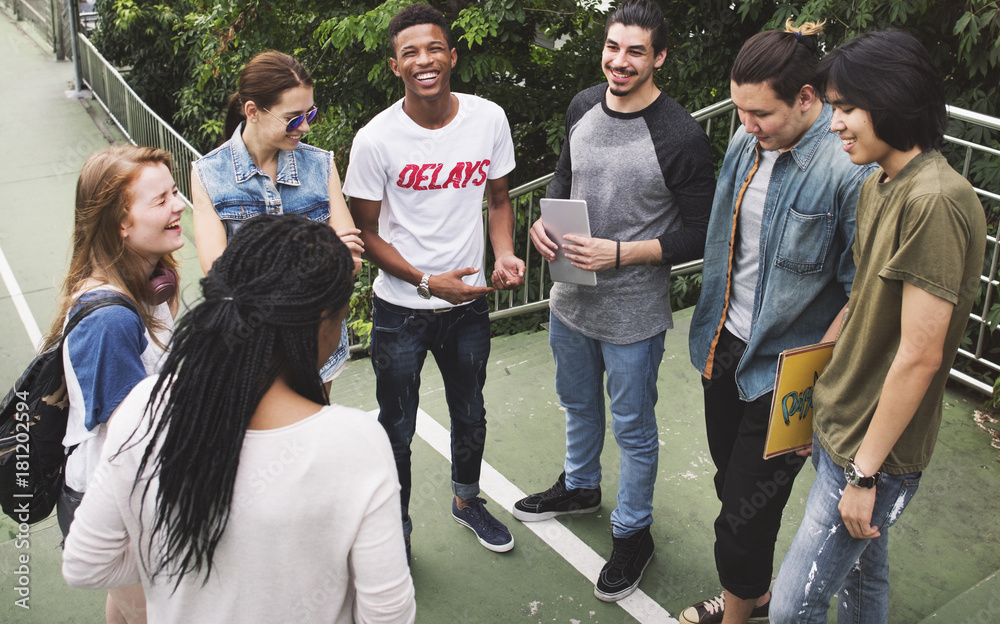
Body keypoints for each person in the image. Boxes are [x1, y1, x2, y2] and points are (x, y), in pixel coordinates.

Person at [62, 215, 417, 623]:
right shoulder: (357, 443)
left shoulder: (143, 408)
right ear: (321, 322)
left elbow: (85, 564)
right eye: (340, 323)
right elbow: (388, 616)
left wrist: (180, 550)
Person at [770, 31, 986, 623]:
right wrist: (813, 382)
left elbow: (920, 355)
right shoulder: (878, 182)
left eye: (846, 108)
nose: (834, 122)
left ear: (892, 100)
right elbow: (864, 298)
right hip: (842, 419)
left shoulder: (935, 201)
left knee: (795, 606)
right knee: (864, 580)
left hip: (873, 453)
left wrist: (864, 474)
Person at [514, 0, 715, 602]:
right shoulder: (582, 105)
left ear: (659, 58)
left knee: (633, 429)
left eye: (635, 51)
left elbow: (702, 231)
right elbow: (561, 176)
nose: (619, 61)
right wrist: (541, 224)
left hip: (633, 313)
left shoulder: (679, 134)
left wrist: (622, 253)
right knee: (577, 405)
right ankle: (580, 487)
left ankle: (633, 534)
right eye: (612, 47)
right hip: (570, 298)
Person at [681, 21, 876, 624]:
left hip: (788, 372)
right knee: (729, 490)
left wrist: (815, 374)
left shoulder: (847, 171)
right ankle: (755, 597)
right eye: (740, 110)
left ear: (808, 98)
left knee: (742, 516)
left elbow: (863, 290)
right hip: (723, 343)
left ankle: (740, 613)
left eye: (759, 112)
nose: (746, 125)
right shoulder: (747, 144)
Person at [341, 3, 525, 558]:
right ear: (396, 66)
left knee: (471, 412)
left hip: (467, 305)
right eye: (410, 53)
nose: (425, 61)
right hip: (400, 312)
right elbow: (366, 233)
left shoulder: (488, 118)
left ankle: (467, 501)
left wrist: (506, 253)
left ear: (451, 54)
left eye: (434, 48)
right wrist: (426, 281)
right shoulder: (375, 141)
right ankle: (396, 530)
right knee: (395, 428)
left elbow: (498, 199)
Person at [47, 145, 186, 624]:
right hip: (120, 506)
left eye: (175, 192)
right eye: (161, 200)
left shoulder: (148, 283)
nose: (179, 205)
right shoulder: (109, 322)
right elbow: (131, 441)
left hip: (128, 495)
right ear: (120, 225)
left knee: (128, 610)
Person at [191, 50, 363, 384]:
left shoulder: (321, 165)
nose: (306, 126)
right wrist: (318, 258)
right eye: (294, 117)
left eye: (309, 113)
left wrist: (264, 269)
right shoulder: (209, 173)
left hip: (317, 344)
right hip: (250, 347)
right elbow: (219, 275)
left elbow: (351, 261)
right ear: (252, 111)